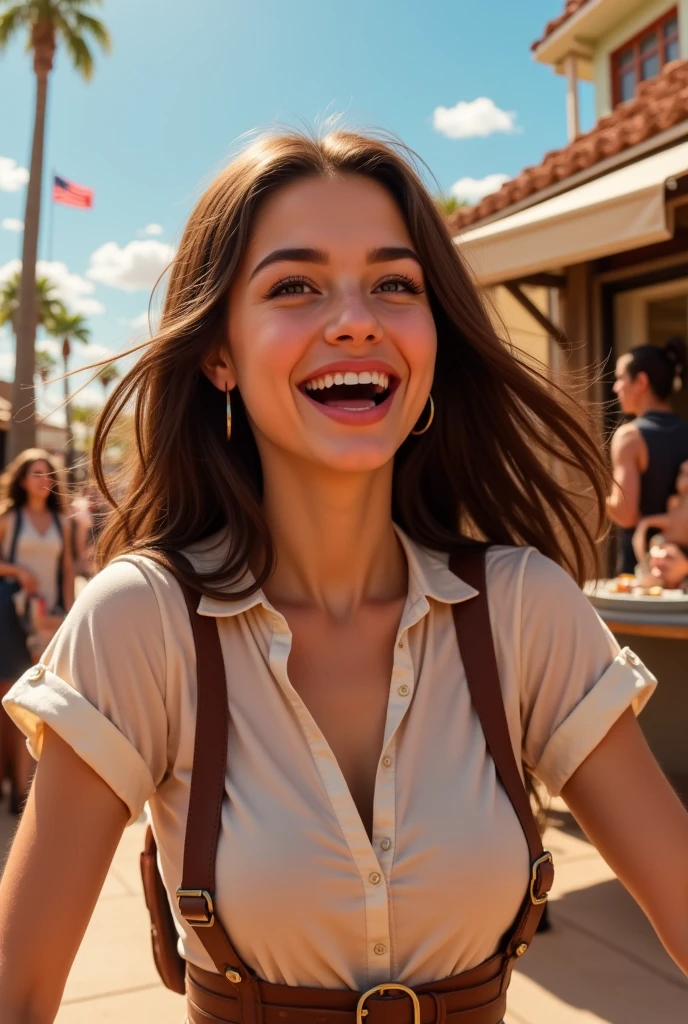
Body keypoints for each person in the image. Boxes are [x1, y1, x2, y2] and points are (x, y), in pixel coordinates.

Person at [0, 129, 686, 1024]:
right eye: (295, 286)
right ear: (219, 353)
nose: (356, 318)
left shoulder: (525, 609)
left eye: (396, 285)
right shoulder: (143, 621)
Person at [0, 449, 74, 812]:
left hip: (48, 620)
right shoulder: (10, 518)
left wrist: (73, 615)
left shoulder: (63, 522)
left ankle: (22, 788)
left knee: (37, 701)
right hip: (12, 617)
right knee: (10, 698)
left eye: (48, 473)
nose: (43, 479)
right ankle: (12, 788)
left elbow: (67, 571)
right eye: (35, 473)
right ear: (22, 479)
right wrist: (18, 572)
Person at [607, 337, 688, 574]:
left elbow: (626, 515)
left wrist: (601, 499)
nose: (615, 387)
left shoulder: (630, 437)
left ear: (641, 381)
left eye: (620, 378)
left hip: (645, 571)